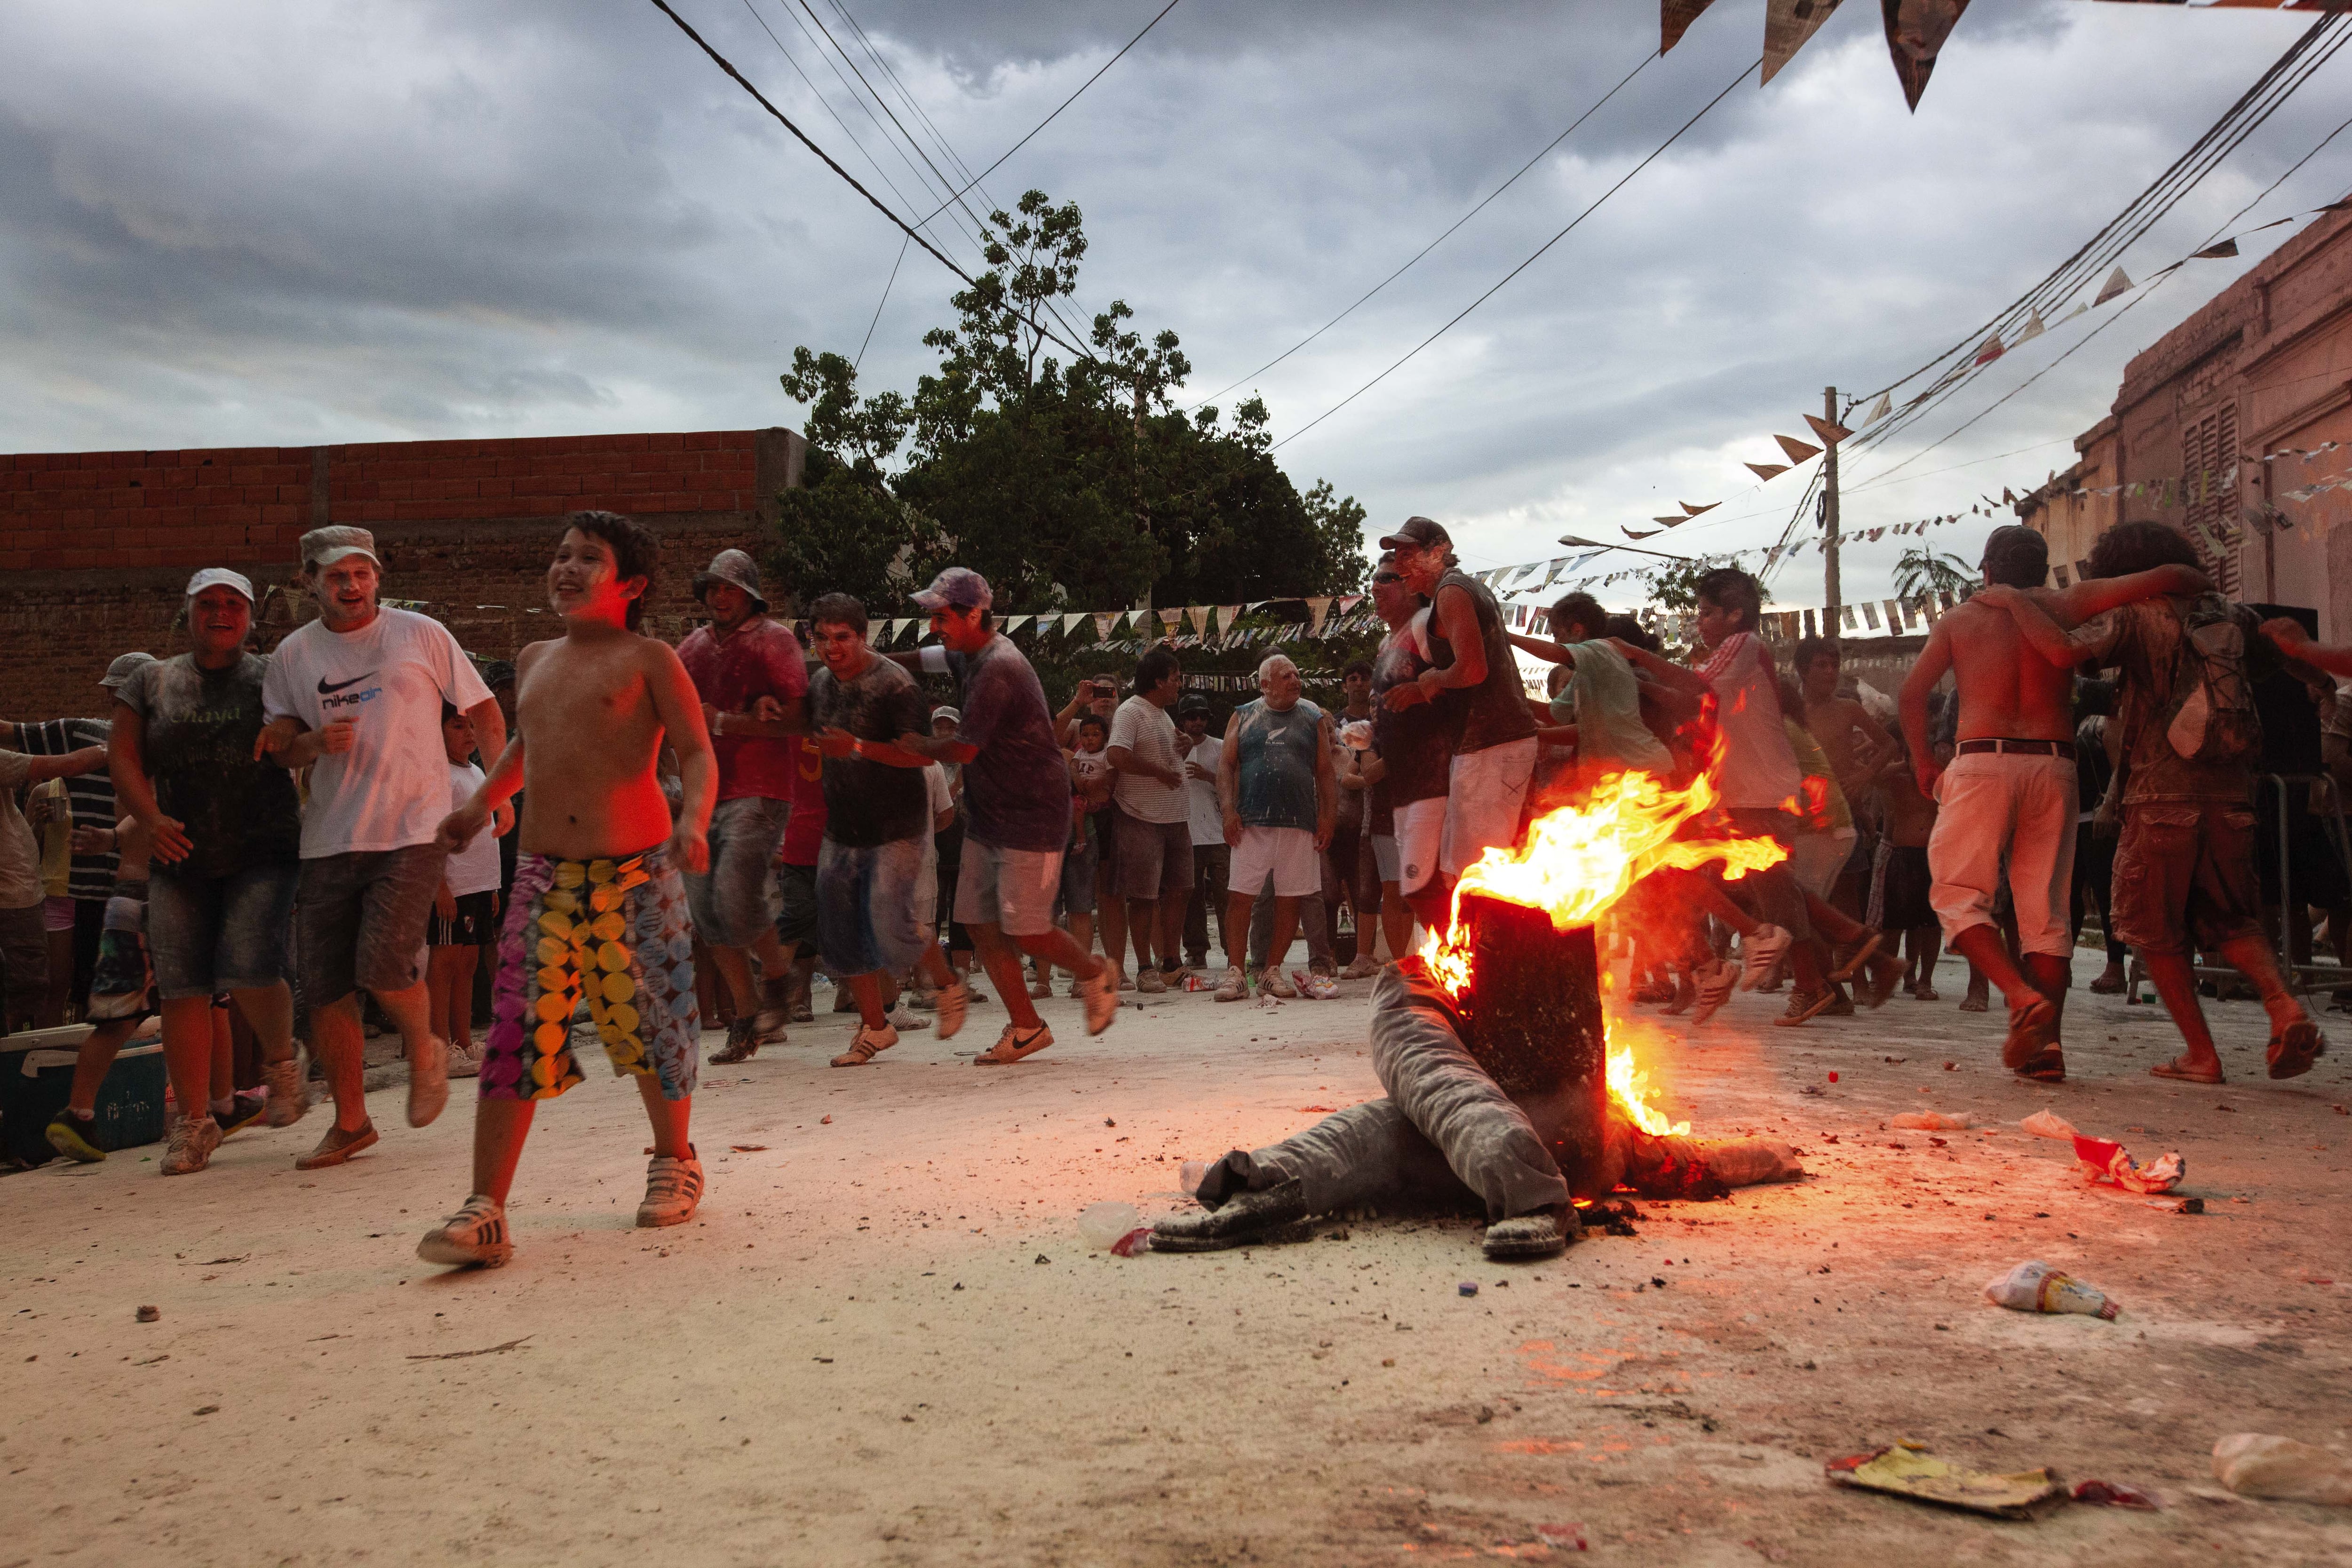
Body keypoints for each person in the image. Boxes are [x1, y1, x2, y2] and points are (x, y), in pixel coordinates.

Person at [416, 510, 716, 1269]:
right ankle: (487, 1207)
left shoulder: (650, 658)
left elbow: (696, 750)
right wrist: (478, 806)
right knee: (516, 1029)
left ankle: (673, 1157)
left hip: (638, 870)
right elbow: (526, 744)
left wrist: (695, 821)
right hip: (543, 874)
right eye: (561, 555)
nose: (568, 567)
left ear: (633, 584)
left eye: (589, 558)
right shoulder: (536, 656)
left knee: (652, 1024)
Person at [1911, 523, 2210, 1080]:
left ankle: (2020, 998)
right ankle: (2045, 1050)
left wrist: (1922, 763)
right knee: (2045, 918)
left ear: (1987, 571)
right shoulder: (2068, 603)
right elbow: (2182, 576)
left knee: (1956, 896)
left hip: (1982, 760)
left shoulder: (1958, 620)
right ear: (2043, 570)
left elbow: (1912, 693)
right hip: (2054, 765)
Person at [257, 527, 504, 1166]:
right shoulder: (292, 655)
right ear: (309, 580)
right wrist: (305, 743)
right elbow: (280, 736)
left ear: (377, 576)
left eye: (362, 572)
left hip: (413, 829)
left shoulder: (420, 635)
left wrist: (498, 794)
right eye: (337, 575)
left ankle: (424, 1045)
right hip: (329, 837)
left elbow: (483, 709)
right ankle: (352, 1122)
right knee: (327, 987)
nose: (351, 585)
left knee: (384, 962)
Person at [111, 568, 309, 1173]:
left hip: (263, 847)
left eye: (232, 604)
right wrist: (149, 821)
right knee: (182, 988)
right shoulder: (152, 680)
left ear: (249, 617)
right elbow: (122, 756)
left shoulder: (275, 673)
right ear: (187, 612)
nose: (219, 613)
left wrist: (295, 735)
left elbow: (299, 740)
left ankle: (282, 1061)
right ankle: (195, 1124)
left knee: (248, 966)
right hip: (179, 851)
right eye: (207, 604)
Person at [891, 568, 1117, 1061]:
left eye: (942, 616)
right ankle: (1025, 1026)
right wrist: (874, 661)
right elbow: (925, 658)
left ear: (975, 615)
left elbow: (965, 750)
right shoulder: (965, 653)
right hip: (991, 812)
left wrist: (918, 745)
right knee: (979, 925)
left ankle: (1094, 972)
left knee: (1027, 929)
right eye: (932, 616)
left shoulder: (998, 667)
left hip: (1034, 813)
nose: (934, 626)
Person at [802, 592, 963, 1067]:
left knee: (893, 920)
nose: (831, 648)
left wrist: (855, 747)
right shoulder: (818, 686)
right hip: (843, 824)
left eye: (842, 638)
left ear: (863, 634)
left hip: (897, 823)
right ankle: (875, 1027)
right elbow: (810, 733)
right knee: (837, 925)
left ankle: (948, 983)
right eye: (822, 638)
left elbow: (920, 754)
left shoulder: (895, 684)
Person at [675, 549, 809, 1061]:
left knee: (734, 894)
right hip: (705, 789)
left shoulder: (774, 640)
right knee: (706, 913)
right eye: (712, 588)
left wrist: (729, 722)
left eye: (728, 588)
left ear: (750, 593)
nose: (718, 596)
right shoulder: (692, 647)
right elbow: (673, 710)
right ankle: (747, 1014)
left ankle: (779, 979)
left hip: (760, 785)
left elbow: (798, 719)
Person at [1378, 517, 1539, 917]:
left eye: (1408, 554)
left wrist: (1426, 685)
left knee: (1475, 870)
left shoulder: (1452, 592)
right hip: (1489, 742)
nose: (1400, 564)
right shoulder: (1460, 591)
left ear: (1440, 551)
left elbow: (1473, 670)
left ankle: (1487, 969)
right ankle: (1470, 966)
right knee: (1458, 868)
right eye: (1396, 556)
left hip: (1493, 742)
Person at [8, 654, 143, 1024]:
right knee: (68, 982)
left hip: (118, 886)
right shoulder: (82, 733)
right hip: (76, 885)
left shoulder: (160, 746)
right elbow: (15, 733)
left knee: (101, 987)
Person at [1216, 654, 1335, 1002]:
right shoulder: (1243, 714)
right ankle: (1236, 972)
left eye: (1298, 675)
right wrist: (1227, 811)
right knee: (1240, 896)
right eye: (1287, 676)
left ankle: (1271, 971)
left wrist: (1327, 816)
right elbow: (1225, 765)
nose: (1296, 681)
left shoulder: (1313, 716)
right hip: (1251, 820)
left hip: (1300, 822)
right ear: (1265, 684)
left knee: (1291, 899)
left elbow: (1326, 771)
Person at [41, 814, 156, 1163]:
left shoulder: (140, 775)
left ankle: (78, 1112)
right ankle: (219, 1103)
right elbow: (151, 804)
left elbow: (141, 807)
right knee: (205, 1003)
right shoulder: (176, 771)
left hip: (126, 897)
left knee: (116, 1020)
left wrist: (111, 836)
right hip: (161, 897)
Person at [1363, 552, 1449, 965]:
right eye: (1373, 579)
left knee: (1426, 886)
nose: (1375, 587)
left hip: (1434, 777)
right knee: (1413, 887)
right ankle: (1453, 965)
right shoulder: (1387, 641)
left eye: (1386, 578)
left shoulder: (1427, 625)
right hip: (1403, 784)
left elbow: (1460, 682)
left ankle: (1460, 964)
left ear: (1413, 585)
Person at [429, 703, 512, 1076]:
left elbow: (485, 829)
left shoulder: (477, 770)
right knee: (444, 963)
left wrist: (491, 884)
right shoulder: (436, 774)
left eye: (472, 727)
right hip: (452, 885)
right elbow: (429, 833)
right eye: (458, 726)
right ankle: (438, 1046)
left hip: (478, 884)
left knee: (469, 963)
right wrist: (439, 885)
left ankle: (463, 1042)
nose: (469, 734)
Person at [1105, 646, 1192, 993]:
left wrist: (1182, 748)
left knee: (1182, 890)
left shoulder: (1163, 714)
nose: (1179, 684)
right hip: (1141, 817)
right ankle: (1144, 968)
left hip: (1176, 817)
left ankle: (1170, 961)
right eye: (1175, 678)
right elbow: (1116, 755)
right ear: (1158, 681)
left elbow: (1163, 753)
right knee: (1143, 896)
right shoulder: (1130, 711)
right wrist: (1158, 771)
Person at [1327, 660, 1382, 979]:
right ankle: (1329, 956)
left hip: (1373, 817)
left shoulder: (1384, 722)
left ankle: (1368, 955)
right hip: (1339, 819)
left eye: (1365, 678)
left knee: (1367, 892)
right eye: (1353, 678)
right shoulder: (1333, 724)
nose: (1359, 683)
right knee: (1331, 892)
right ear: (1345, 684)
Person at [1176, 693, 1230, 975]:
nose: (1197, 721)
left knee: (1226, 895)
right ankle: (1196, 952)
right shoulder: (1174, 746)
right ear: (1183, 720)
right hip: (1186, 830)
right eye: (1191, 716)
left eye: (1202, 716)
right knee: (1191, 898)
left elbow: (1233, 783)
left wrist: (1207, 775)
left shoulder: (1220, 747)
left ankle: (1234, 949)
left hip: (1218, 832)